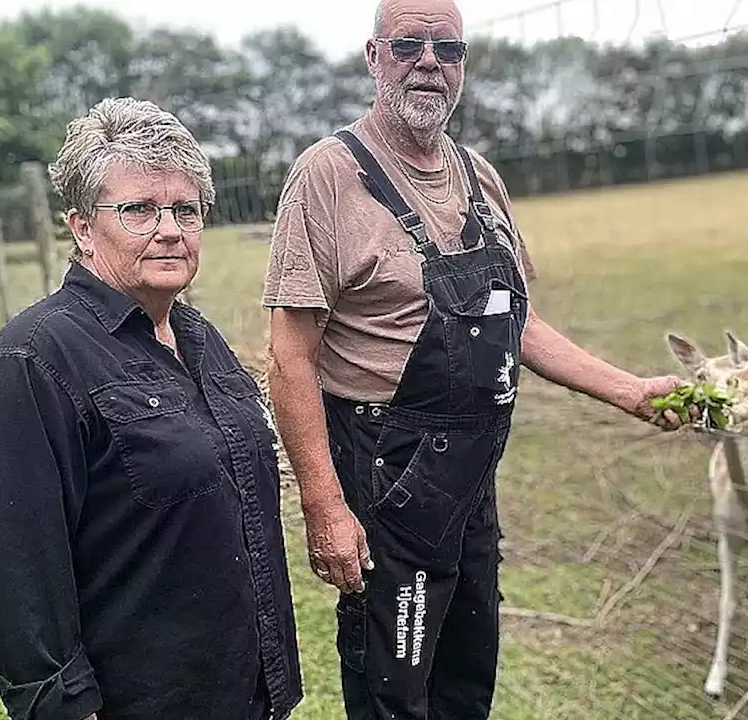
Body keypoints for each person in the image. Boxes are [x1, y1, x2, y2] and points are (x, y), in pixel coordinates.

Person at [261, 0, 702, 717]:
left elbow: (516, 321)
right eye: (409, 44)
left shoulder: (479, 177)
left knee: (467, 676)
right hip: (384, 475)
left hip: (468, 478)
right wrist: (325, 507)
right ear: (374, 57)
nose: (429, 62)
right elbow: (288, 355)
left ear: (464, 65)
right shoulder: (327, 176)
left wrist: (627, 390)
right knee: (394, 688)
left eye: (449, 49)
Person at [0, 97, 303, 720]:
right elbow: (7, 581)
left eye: (185, 210)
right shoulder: (31, 364)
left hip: (245, 689)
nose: (169, 228)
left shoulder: (199, 338)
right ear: (82, 227)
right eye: (139, 209)